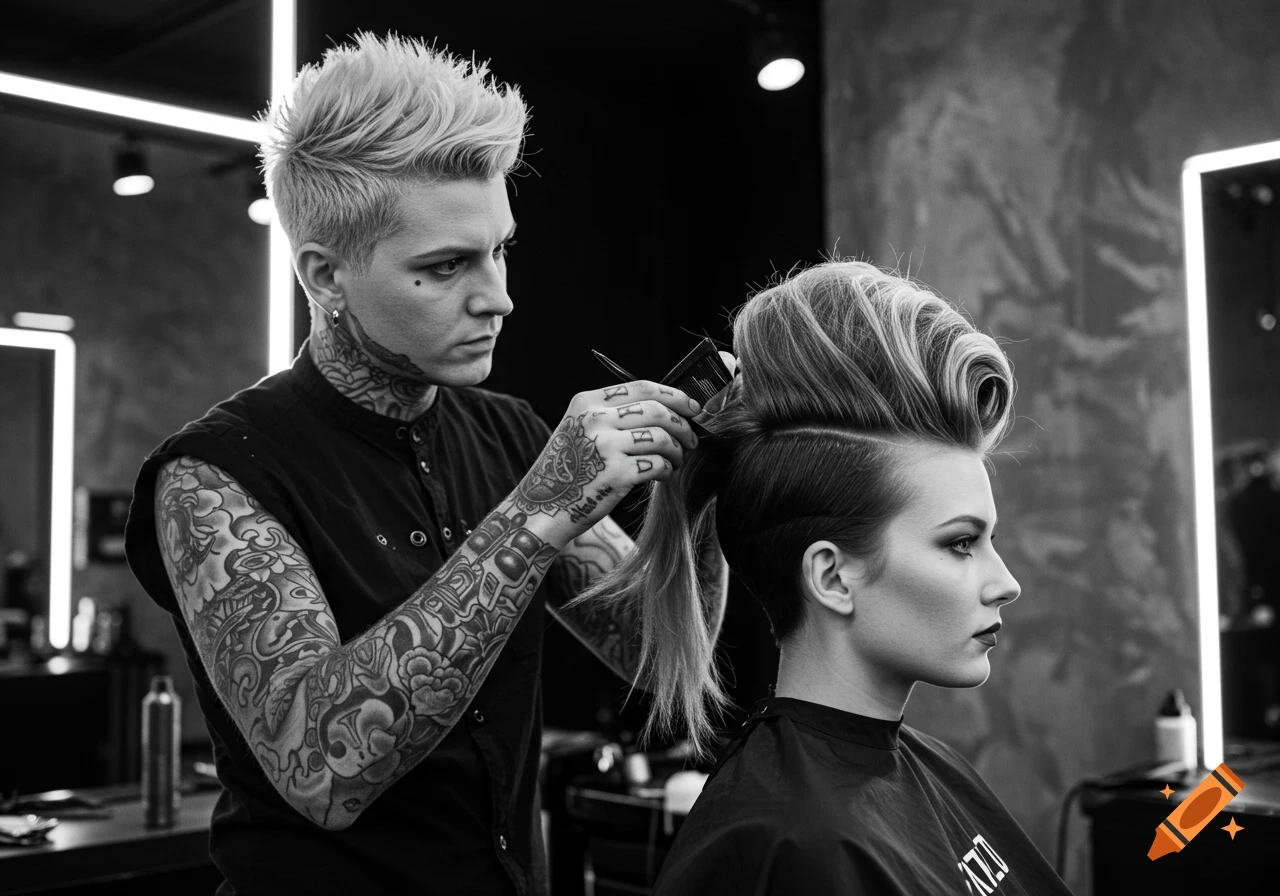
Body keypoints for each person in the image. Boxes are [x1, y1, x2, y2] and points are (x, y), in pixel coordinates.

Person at [123, 33, 728, 896]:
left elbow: (659, 653)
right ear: (326, 277)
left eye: (500, 250)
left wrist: (698, 493)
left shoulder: (509, 434)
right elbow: (321, 769)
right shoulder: (215, 477)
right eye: (445, 267)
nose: (498, 296)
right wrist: (540, 509)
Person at [574, 260, 1076, 894]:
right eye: (960, 544)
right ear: (833, 577)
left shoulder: (928, 768)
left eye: (988, 539)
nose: (1007, 582)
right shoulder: (784, 844)